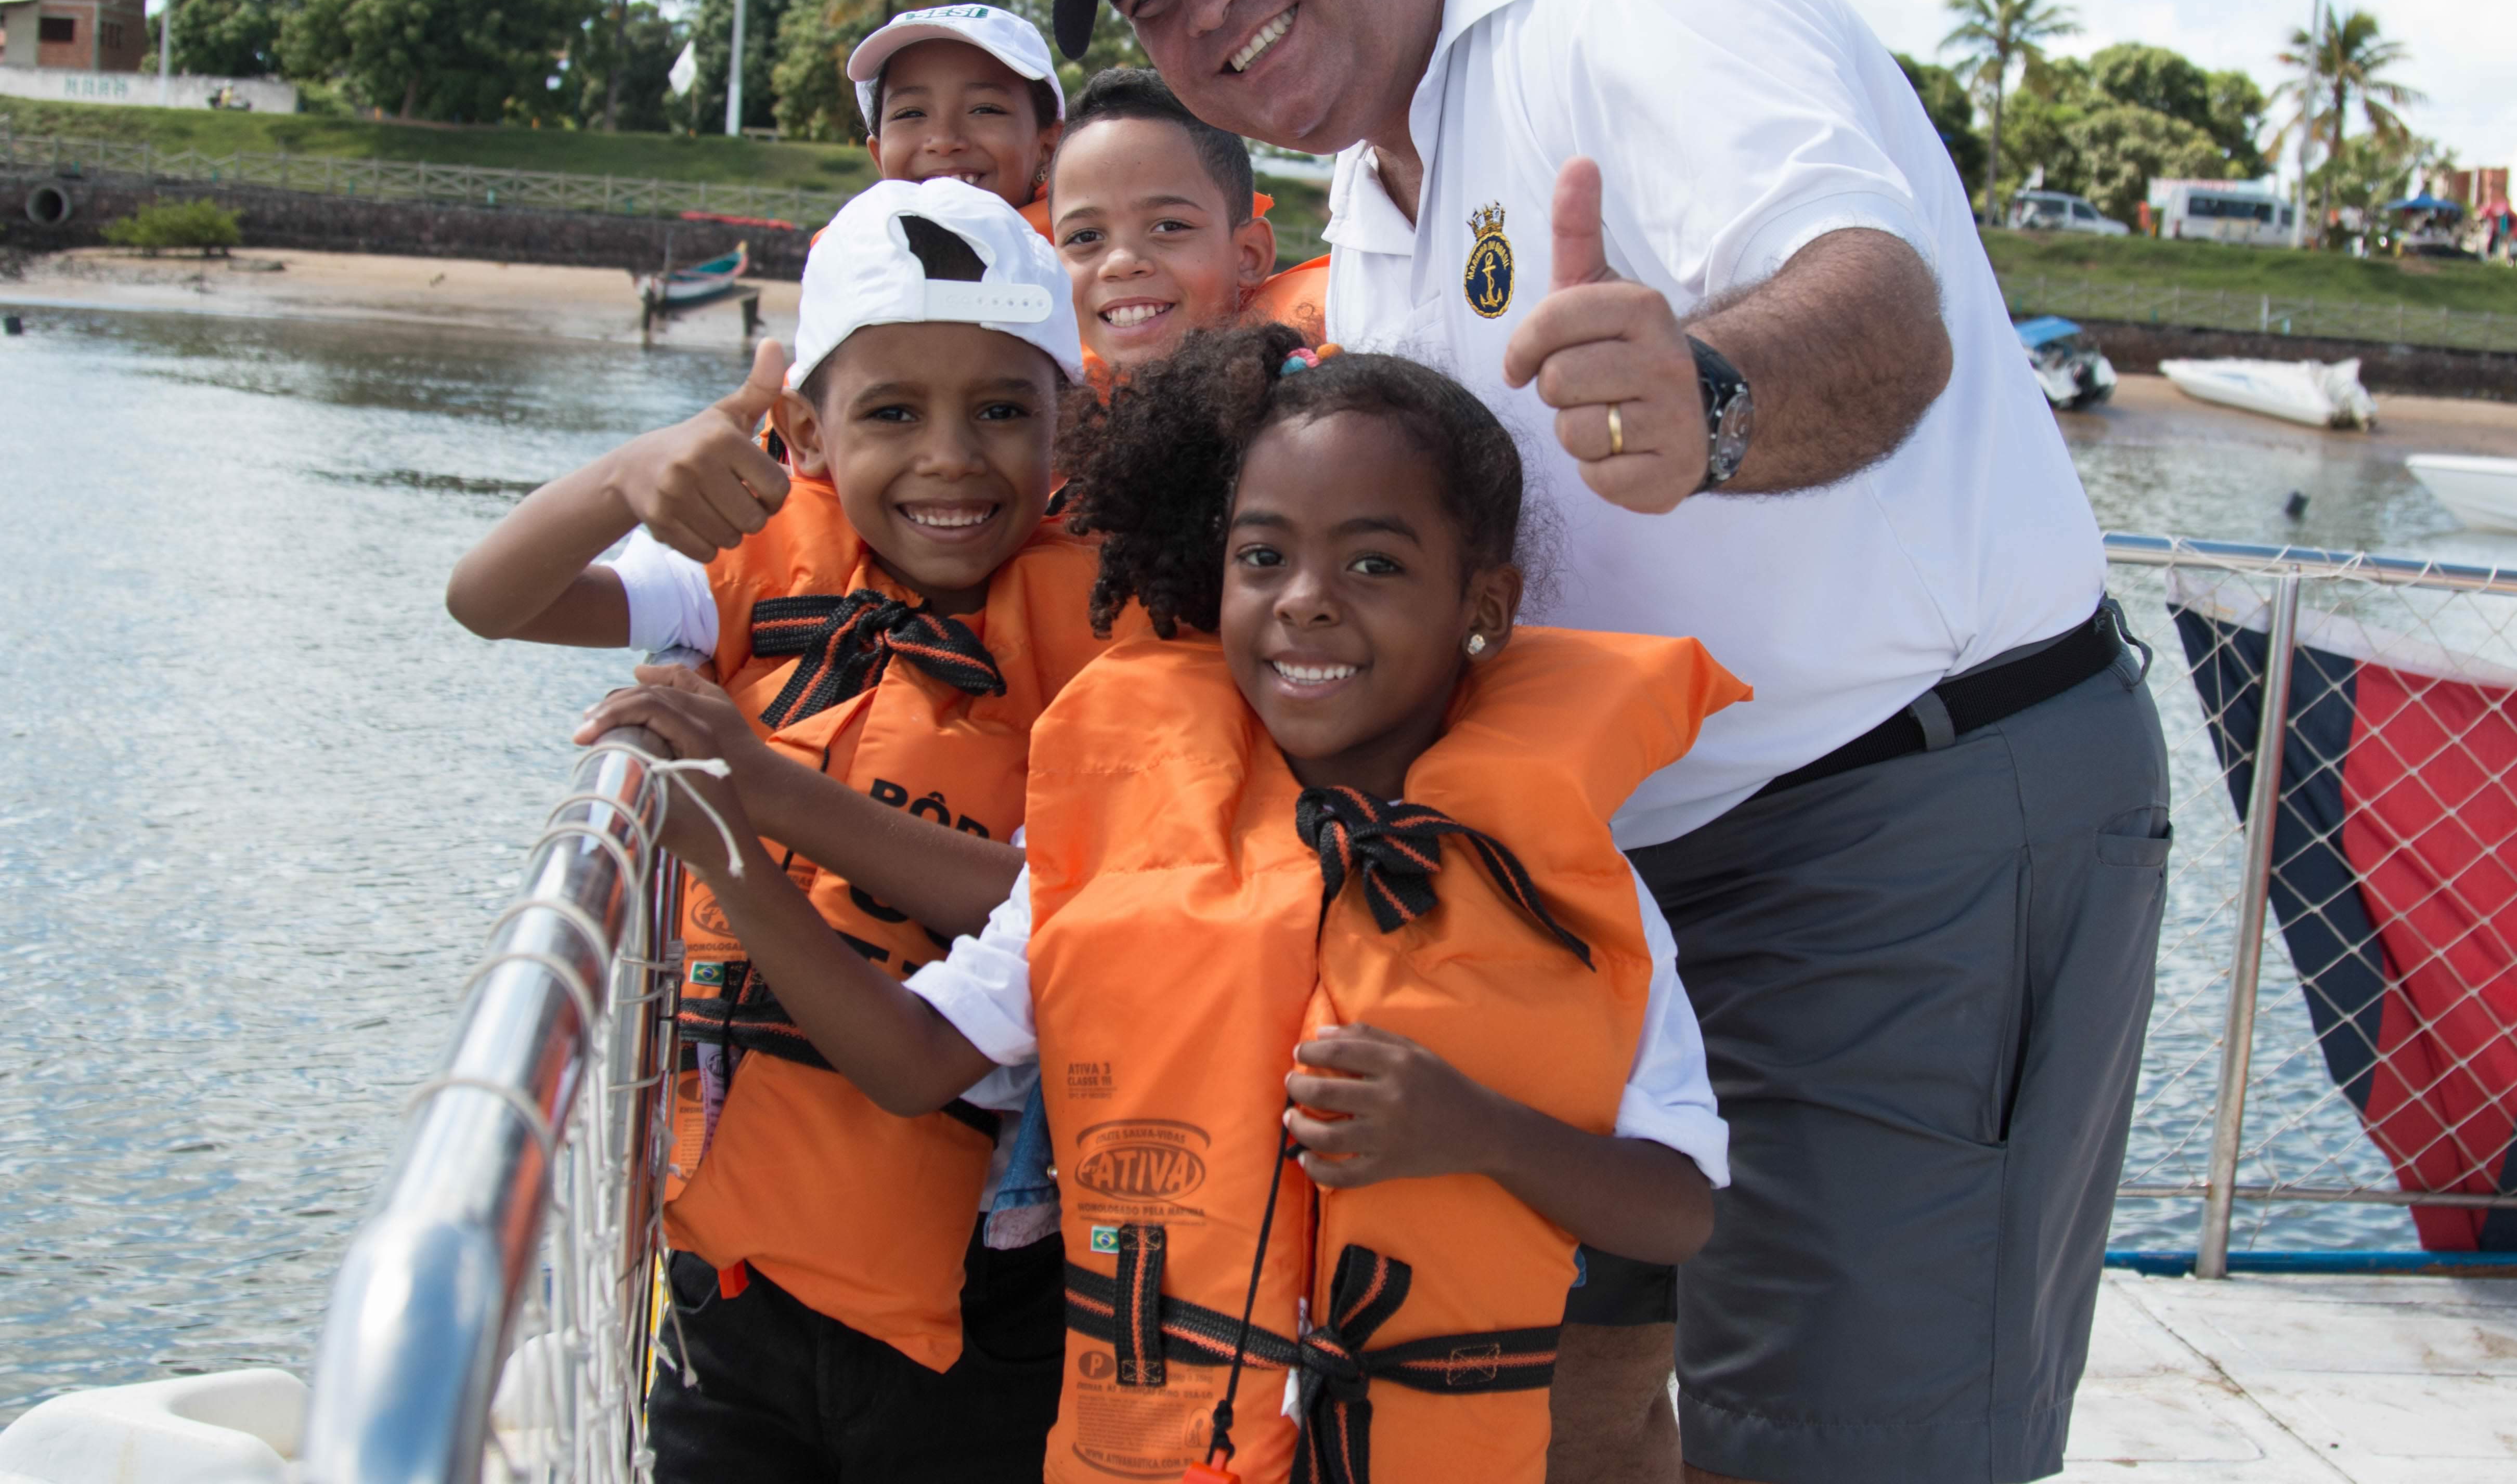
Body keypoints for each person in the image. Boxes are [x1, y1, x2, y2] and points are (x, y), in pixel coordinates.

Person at [1030, 0, 2172, 1484]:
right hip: (1612, 875)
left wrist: (1708, 398)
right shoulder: (1372, 185)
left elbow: (1880, 303)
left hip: (1899, 827)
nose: (1206, 11)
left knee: (1847, 1439)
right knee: (1547, 1405)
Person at [585, 323, 1739, 1484]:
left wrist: (1481, 1131)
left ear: (1485, 603)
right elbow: (910, 1057)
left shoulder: (1567, 888)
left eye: (1375, 565)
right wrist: (729, 834)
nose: (1307, 604)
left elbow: (1675, 1206)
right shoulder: (1120, 839)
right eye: (1262, 558)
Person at [446, 178, 1107, 1482]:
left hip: (982, 1300)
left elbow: (1072, 904)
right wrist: (629, 473)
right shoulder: (753, 567)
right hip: (730, 1289)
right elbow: (491, 597)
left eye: (999, 412)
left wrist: (759, 789)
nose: (950, 459)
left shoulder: (1109, 634)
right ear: (804, 429)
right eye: (891, 414)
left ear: (1064, 426)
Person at [1046, 65, 1329, 370]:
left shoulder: (1319, 400)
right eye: (1085, 237)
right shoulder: (1033, 401)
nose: (1121, 263)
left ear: (1249, 254)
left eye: (1169, 227)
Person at [847, 3, 1065, 234]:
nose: (944, 142)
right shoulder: (841, 264)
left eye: (984, 110)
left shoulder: (1088, 266)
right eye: (911, 114)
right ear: (878, 156)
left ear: (1048, 149)